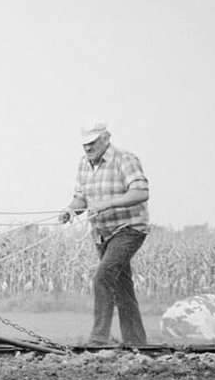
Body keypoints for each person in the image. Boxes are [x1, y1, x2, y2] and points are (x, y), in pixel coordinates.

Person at [60, 121, 151, 346]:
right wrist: (70, 210)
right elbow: (81, 198)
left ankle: (98, 338)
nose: (88, 148)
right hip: (102, 233)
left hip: (129, 228)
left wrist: (108, 204)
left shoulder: (124, 159)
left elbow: (141, 192)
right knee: (122, 287)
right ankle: (136, 342)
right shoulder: (84, 164)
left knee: (103, 276)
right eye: (85, 144)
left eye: (92, 143)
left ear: (106, 138)